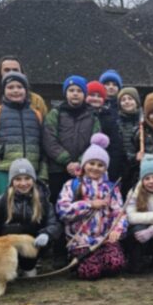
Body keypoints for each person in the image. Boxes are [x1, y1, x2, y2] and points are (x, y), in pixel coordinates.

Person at [43, 76, 108, 262]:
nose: (75, 94)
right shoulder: (55, 113)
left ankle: (80, 246)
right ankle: (59, 252)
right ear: (66, 93)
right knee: (60, 209)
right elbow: (49, 139)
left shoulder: (92, 116)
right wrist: (66, 162)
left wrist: (81, 163)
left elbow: (95, 141)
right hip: (59, 168)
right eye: (71, 90)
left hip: (83, 170)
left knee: (81, 206)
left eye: (79, 91)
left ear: (84, 94)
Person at [57, 134, 129, 280]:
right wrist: (89, 204)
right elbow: (62, 211)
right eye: (92, 163)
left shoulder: (111, 188)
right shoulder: (72, 185)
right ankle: (81, 262)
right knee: (91, 272)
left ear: (105, 168)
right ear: (84, 164)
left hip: (104, 238)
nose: (95, 168)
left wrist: (117, 229)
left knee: (116, 264)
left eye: (100, 165)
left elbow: (119, 212)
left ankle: (101, 258)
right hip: (80, 240)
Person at [0, 158, 61, 277]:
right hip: (8, 245)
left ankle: (29, 266)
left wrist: (47, 234)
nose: (23, 183)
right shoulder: (1, 200)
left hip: (33, 244)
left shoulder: (43, 200)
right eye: (18, 179)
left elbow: (54, 224)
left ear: (33, 180)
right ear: (12, 181)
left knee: (30, 240)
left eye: (27, 178)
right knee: (12, 230)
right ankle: (9, 266)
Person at [0, 72, 46, 199]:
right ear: (3, 91)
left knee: (31, 211)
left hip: (30, 175)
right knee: (1, 211)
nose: (15, 90)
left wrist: (43, 175)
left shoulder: (36, 115)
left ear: (26, 90)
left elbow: (44, 147)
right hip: (2, 173)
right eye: (10, 87)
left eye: (19, 87)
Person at [0, 56, 49, 124]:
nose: (11, 73)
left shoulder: (37, 100)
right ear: (0, 73)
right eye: (7, 70)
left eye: (15, 70)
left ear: (22, 73)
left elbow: (46, 127)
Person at [115, 87, 142, 185]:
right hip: (123, 167)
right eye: (123, 100)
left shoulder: (144, 120)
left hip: (140, 166)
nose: (127, 102)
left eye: (130, 99)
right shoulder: (116, 122)